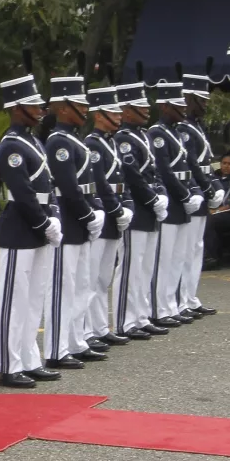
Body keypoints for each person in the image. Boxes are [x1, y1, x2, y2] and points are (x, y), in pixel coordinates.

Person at [0, 72, 62, 389]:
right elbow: (22, 193)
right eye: (34, 105)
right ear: (17, 108)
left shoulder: (33, 141)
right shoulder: (11, 146)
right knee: (14, 301)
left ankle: (29, 359)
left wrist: (55, 217)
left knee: (34, 298)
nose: (40, 110)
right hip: (20, 230)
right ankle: (9, 365)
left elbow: (50, 186)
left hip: (39, 228)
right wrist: (45, 223)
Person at [43, 75, 106, 370]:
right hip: (69, 222)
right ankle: (56, 348)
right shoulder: (58, 141)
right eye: (79, 104)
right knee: (63, 288)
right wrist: (87, 214)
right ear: (65, 108)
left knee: (82, 285)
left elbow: (87, 185)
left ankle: (76, 340)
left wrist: (94, 211)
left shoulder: (73, 140)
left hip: (81, 223)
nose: (85, 110)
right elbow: (68, 188)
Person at [112, 81, 170, 340]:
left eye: (146, 105)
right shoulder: (123, 138)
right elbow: (132, 176)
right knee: (131, 268)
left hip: (151, 209)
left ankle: (141, 316)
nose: (146, 110)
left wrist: (162, 195)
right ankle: (125, 321)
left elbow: (153, 171)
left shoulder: (142, 135)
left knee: (145, 267)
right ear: (125, 110)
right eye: (139, 106)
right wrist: (152, 199)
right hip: (137, 208)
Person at [146, 81, 202, 327]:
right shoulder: (157, 133)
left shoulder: (177, 132)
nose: (183, 110)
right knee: (164, 258)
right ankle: (159, 308)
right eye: (177, 106)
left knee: (177, 257)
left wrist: (196, 191)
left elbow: (189, 166)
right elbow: (165, 171)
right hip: (171, 198)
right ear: (165, 107)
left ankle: (172, 305)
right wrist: (184, 194)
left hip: (182, 199)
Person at [83, 85, 132, 348]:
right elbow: (100, 184)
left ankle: (101, 327)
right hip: (105, 211)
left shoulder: (108, 142)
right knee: (92, 277)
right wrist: (114, 209)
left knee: (104, 277)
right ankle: (88, 331)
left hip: (115, 211)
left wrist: (124, 207)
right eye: (113, 112)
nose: (119, 116)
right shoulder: (92, 144)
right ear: (99, 115)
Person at [177, 74, 219, 316]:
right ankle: (180, 300)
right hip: (193, 194)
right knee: (184, 252)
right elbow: (191, 164)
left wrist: (216, 187)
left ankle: (190, 297)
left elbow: (206, 164)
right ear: (188, 99)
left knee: (195, 249)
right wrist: (207, 188)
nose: (205, 105)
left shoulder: (197, 127)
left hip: (202, 194)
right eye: (201, 100)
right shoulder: (183, 129)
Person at [203, 151, 230, 268]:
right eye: (224, 163)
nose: (226, 166)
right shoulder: (213, 177)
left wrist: (218, 210)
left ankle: (211, 258)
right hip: (212, 212)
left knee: (211, 220)